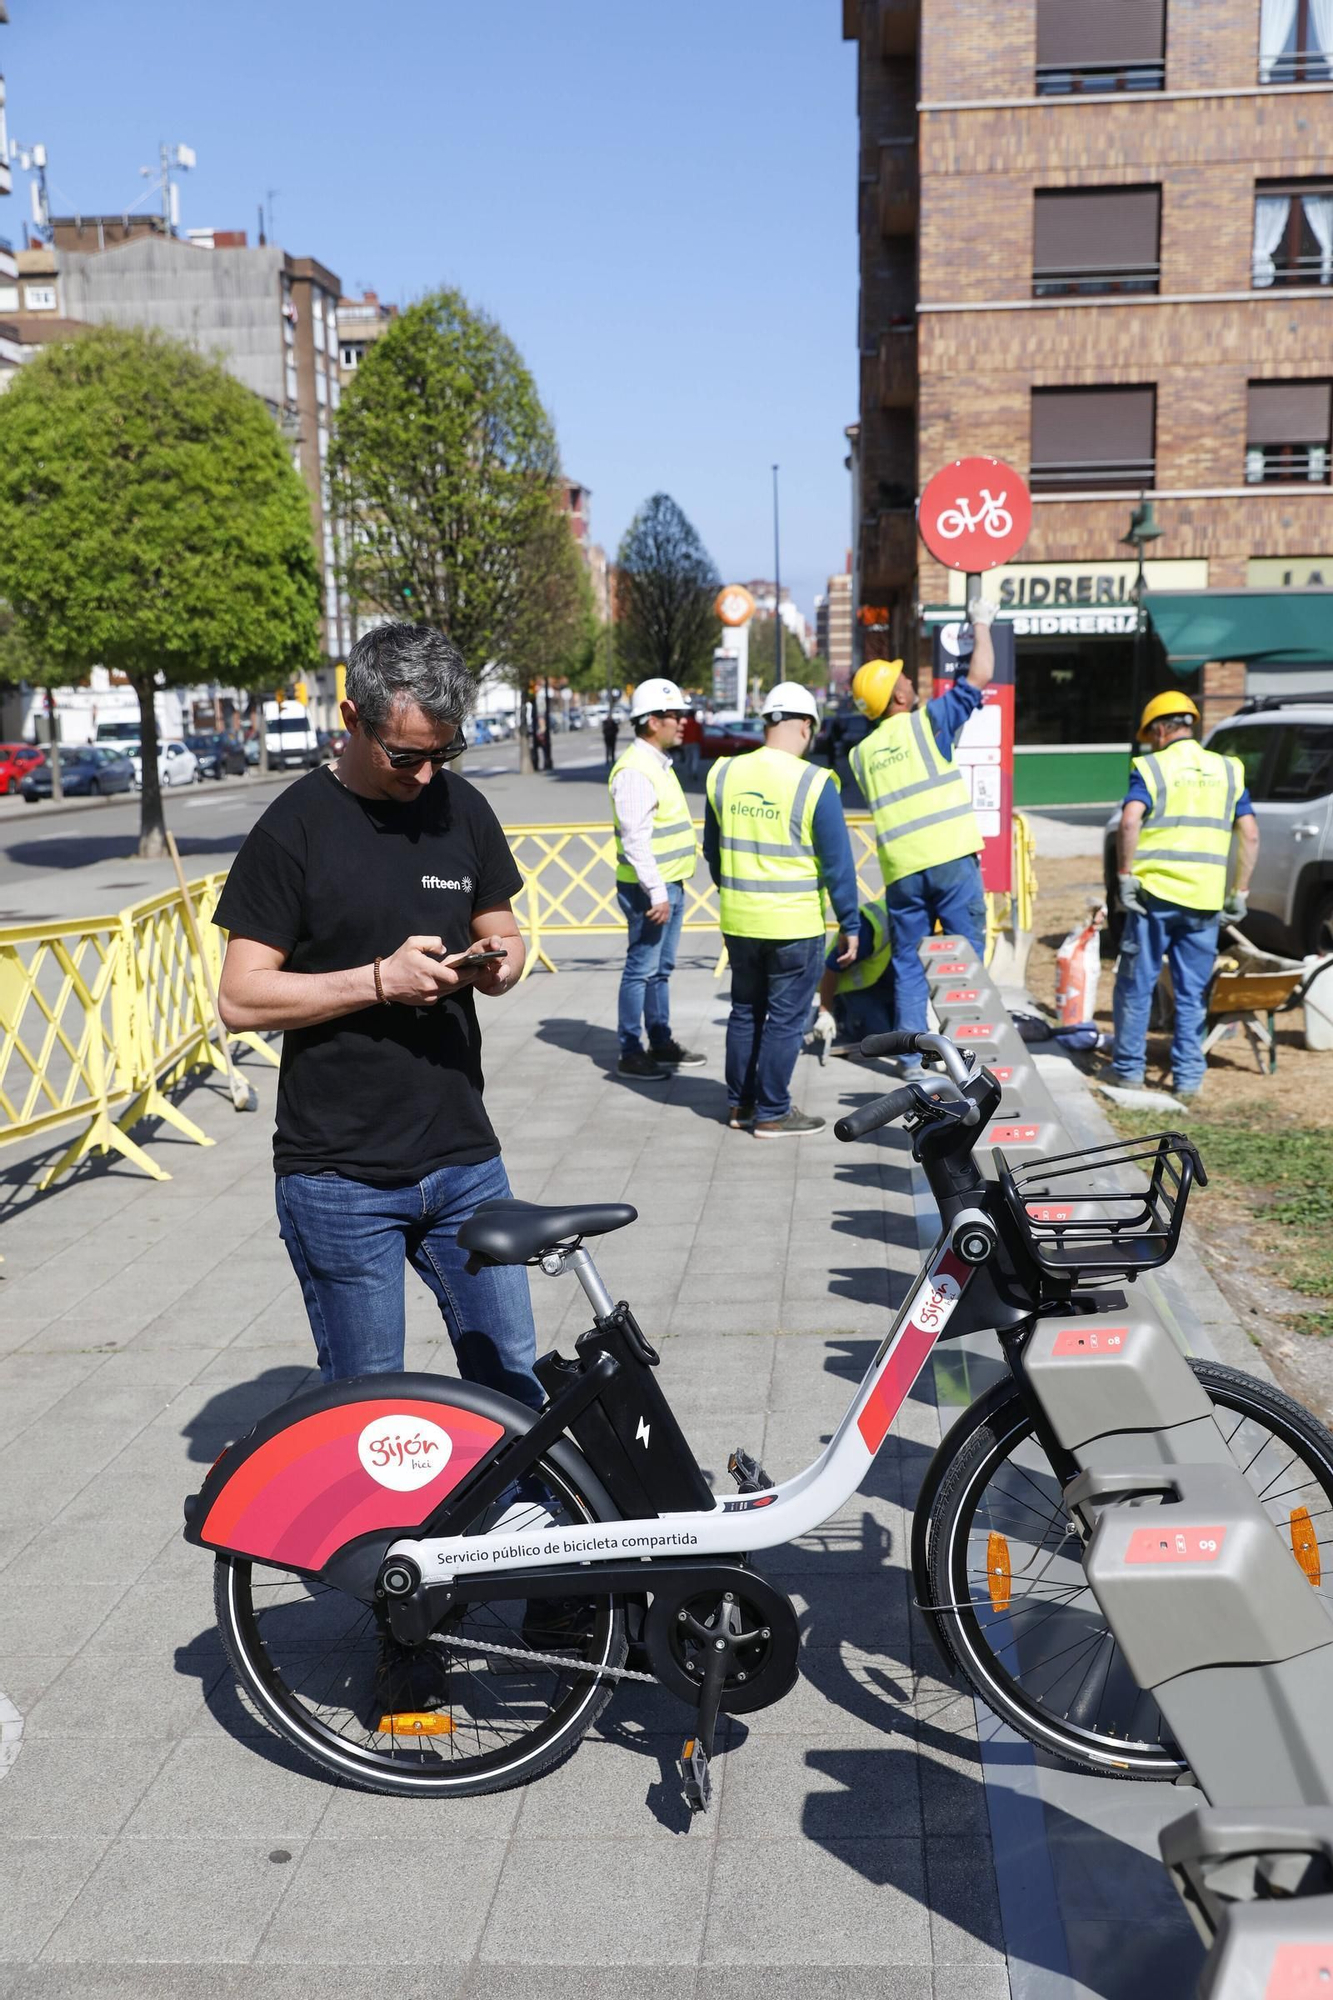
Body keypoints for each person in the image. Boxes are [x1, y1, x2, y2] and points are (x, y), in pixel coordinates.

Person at [213, 622, 541, 1409]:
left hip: (465, 1159)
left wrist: (500, 963)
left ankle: (517, 1527)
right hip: (339, 1178)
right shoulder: (292, 830)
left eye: (443, 754)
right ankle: (380, 1538)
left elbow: (505, 928)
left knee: (514, 1389)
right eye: (406, 756)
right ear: (352, 719)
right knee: (369, 1410)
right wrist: (376, 981)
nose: (427, 775)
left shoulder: (461, 808)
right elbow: (240, 996)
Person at [705, 682, 859, 1136]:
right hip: (793, 923)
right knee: (786, 1019)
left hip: (740, 919)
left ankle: (740, 1107)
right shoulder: (814, 782)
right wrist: (849, 922)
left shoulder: (724, 774)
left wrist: (735, 893)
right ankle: (772, 1112)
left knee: (745, 1012)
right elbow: (838, 865)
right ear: (805, 726)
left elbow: (713, 853)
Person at [848, 600, 995, 1074]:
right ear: (898, 697)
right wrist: (983, 623)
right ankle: (964, 1055)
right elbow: (981, 674)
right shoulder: (927, 723)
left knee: (910, 965)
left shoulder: (861, 754)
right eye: (902, 677)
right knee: (964, 958)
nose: (909, 678)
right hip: (951, 860)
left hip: (902, 871)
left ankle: (911, 1062)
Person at [1112, 691, 1259, 1103]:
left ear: (1160, 729)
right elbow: (1249, 833)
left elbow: (1129, 821)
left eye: (1151, 735)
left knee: (1136, 985)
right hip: (1204, 900)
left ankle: (1128, 1071)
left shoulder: (1151, 768)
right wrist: (1240, 891)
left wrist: (1125, 876)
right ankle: (1189, 1078)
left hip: (1153, 896)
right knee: (1192, 992)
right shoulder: (1228, 770)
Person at [607, 676, 706, 1081]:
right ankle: (631, 1050)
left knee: (660, 970)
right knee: (641, 969)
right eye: (674, 715)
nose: (682, 721)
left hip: (669, 885)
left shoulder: (656, 763)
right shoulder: (635, 770)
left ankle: (660, 1041)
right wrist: (657, 892)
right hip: (651, 890)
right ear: (651, 721)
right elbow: (635, 839)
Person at [814, 894, 893, 1049]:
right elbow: (831, 968)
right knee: (879, 1036)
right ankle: (839, 1016)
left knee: (896, 1035)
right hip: (847, 986)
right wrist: (825, 1011)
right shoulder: (869, 928)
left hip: (879, 982)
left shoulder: (912, 916)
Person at [679, 707, 705, 783]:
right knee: (695, 758)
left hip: (686, 743)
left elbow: (682, 734)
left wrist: (682, 743)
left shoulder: (685, 724)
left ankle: (688, 772)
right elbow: (700, 735)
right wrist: (701, 742)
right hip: (695, 743)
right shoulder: (697, 724)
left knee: (688, 758)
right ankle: (694, 772)